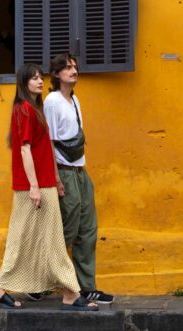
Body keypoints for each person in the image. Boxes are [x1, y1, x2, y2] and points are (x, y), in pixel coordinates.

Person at [0, 64, 97, 311]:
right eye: (33, 78)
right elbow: (24, 149)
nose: (39, 81)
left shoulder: (33, 109)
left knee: (37, 239)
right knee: (42, 239)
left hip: (43, 183)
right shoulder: (24, 110)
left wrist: (54, 181)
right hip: (33, 187)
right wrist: (35, 187)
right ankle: (69, 292)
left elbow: (43, 149)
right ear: (24, 83)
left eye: (39, 77)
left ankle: (1, 288)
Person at [44, 53, 114, 304]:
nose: (74, 70)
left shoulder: (74, 100)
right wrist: (56, 179)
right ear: (56, 75)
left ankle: (86, 287)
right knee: (68, 230)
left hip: (80, 172)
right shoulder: (52, 101)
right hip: (63, 172)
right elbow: (48, 142)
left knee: (88, 230)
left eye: (75, 66)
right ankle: (44, 282)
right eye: (67, 68)